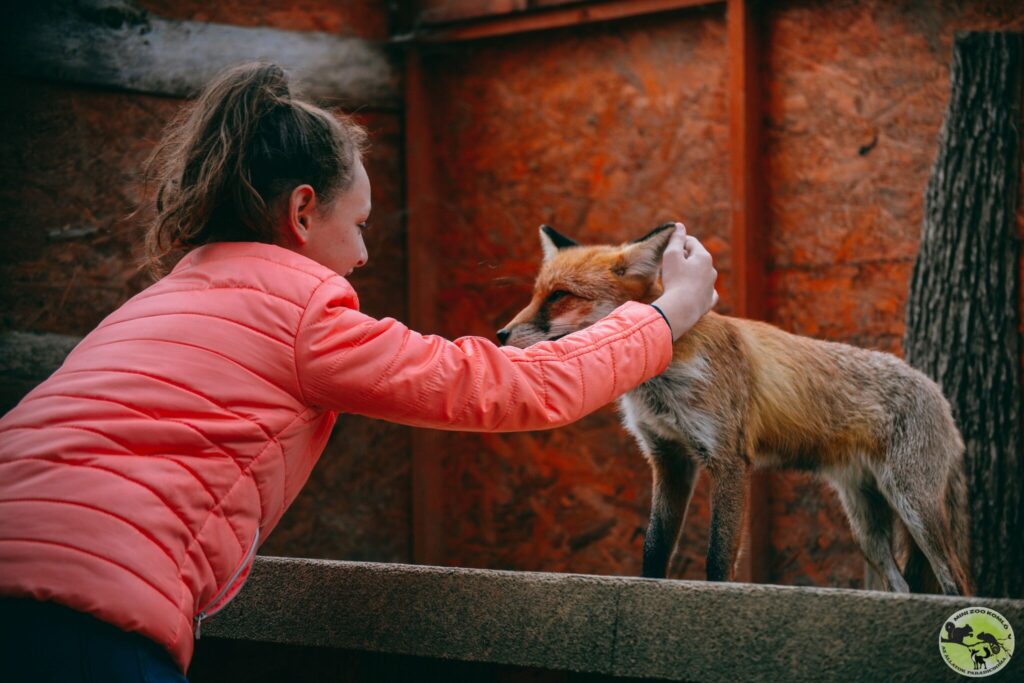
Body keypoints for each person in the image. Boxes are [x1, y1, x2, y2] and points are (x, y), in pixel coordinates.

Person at [0, 62, 719, 681]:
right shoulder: (301, 313)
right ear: (304, 212)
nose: (365, 254)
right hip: (78, 623)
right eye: (362, 224)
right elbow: (508, 385)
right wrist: (669, 312)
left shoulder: (153, 304)